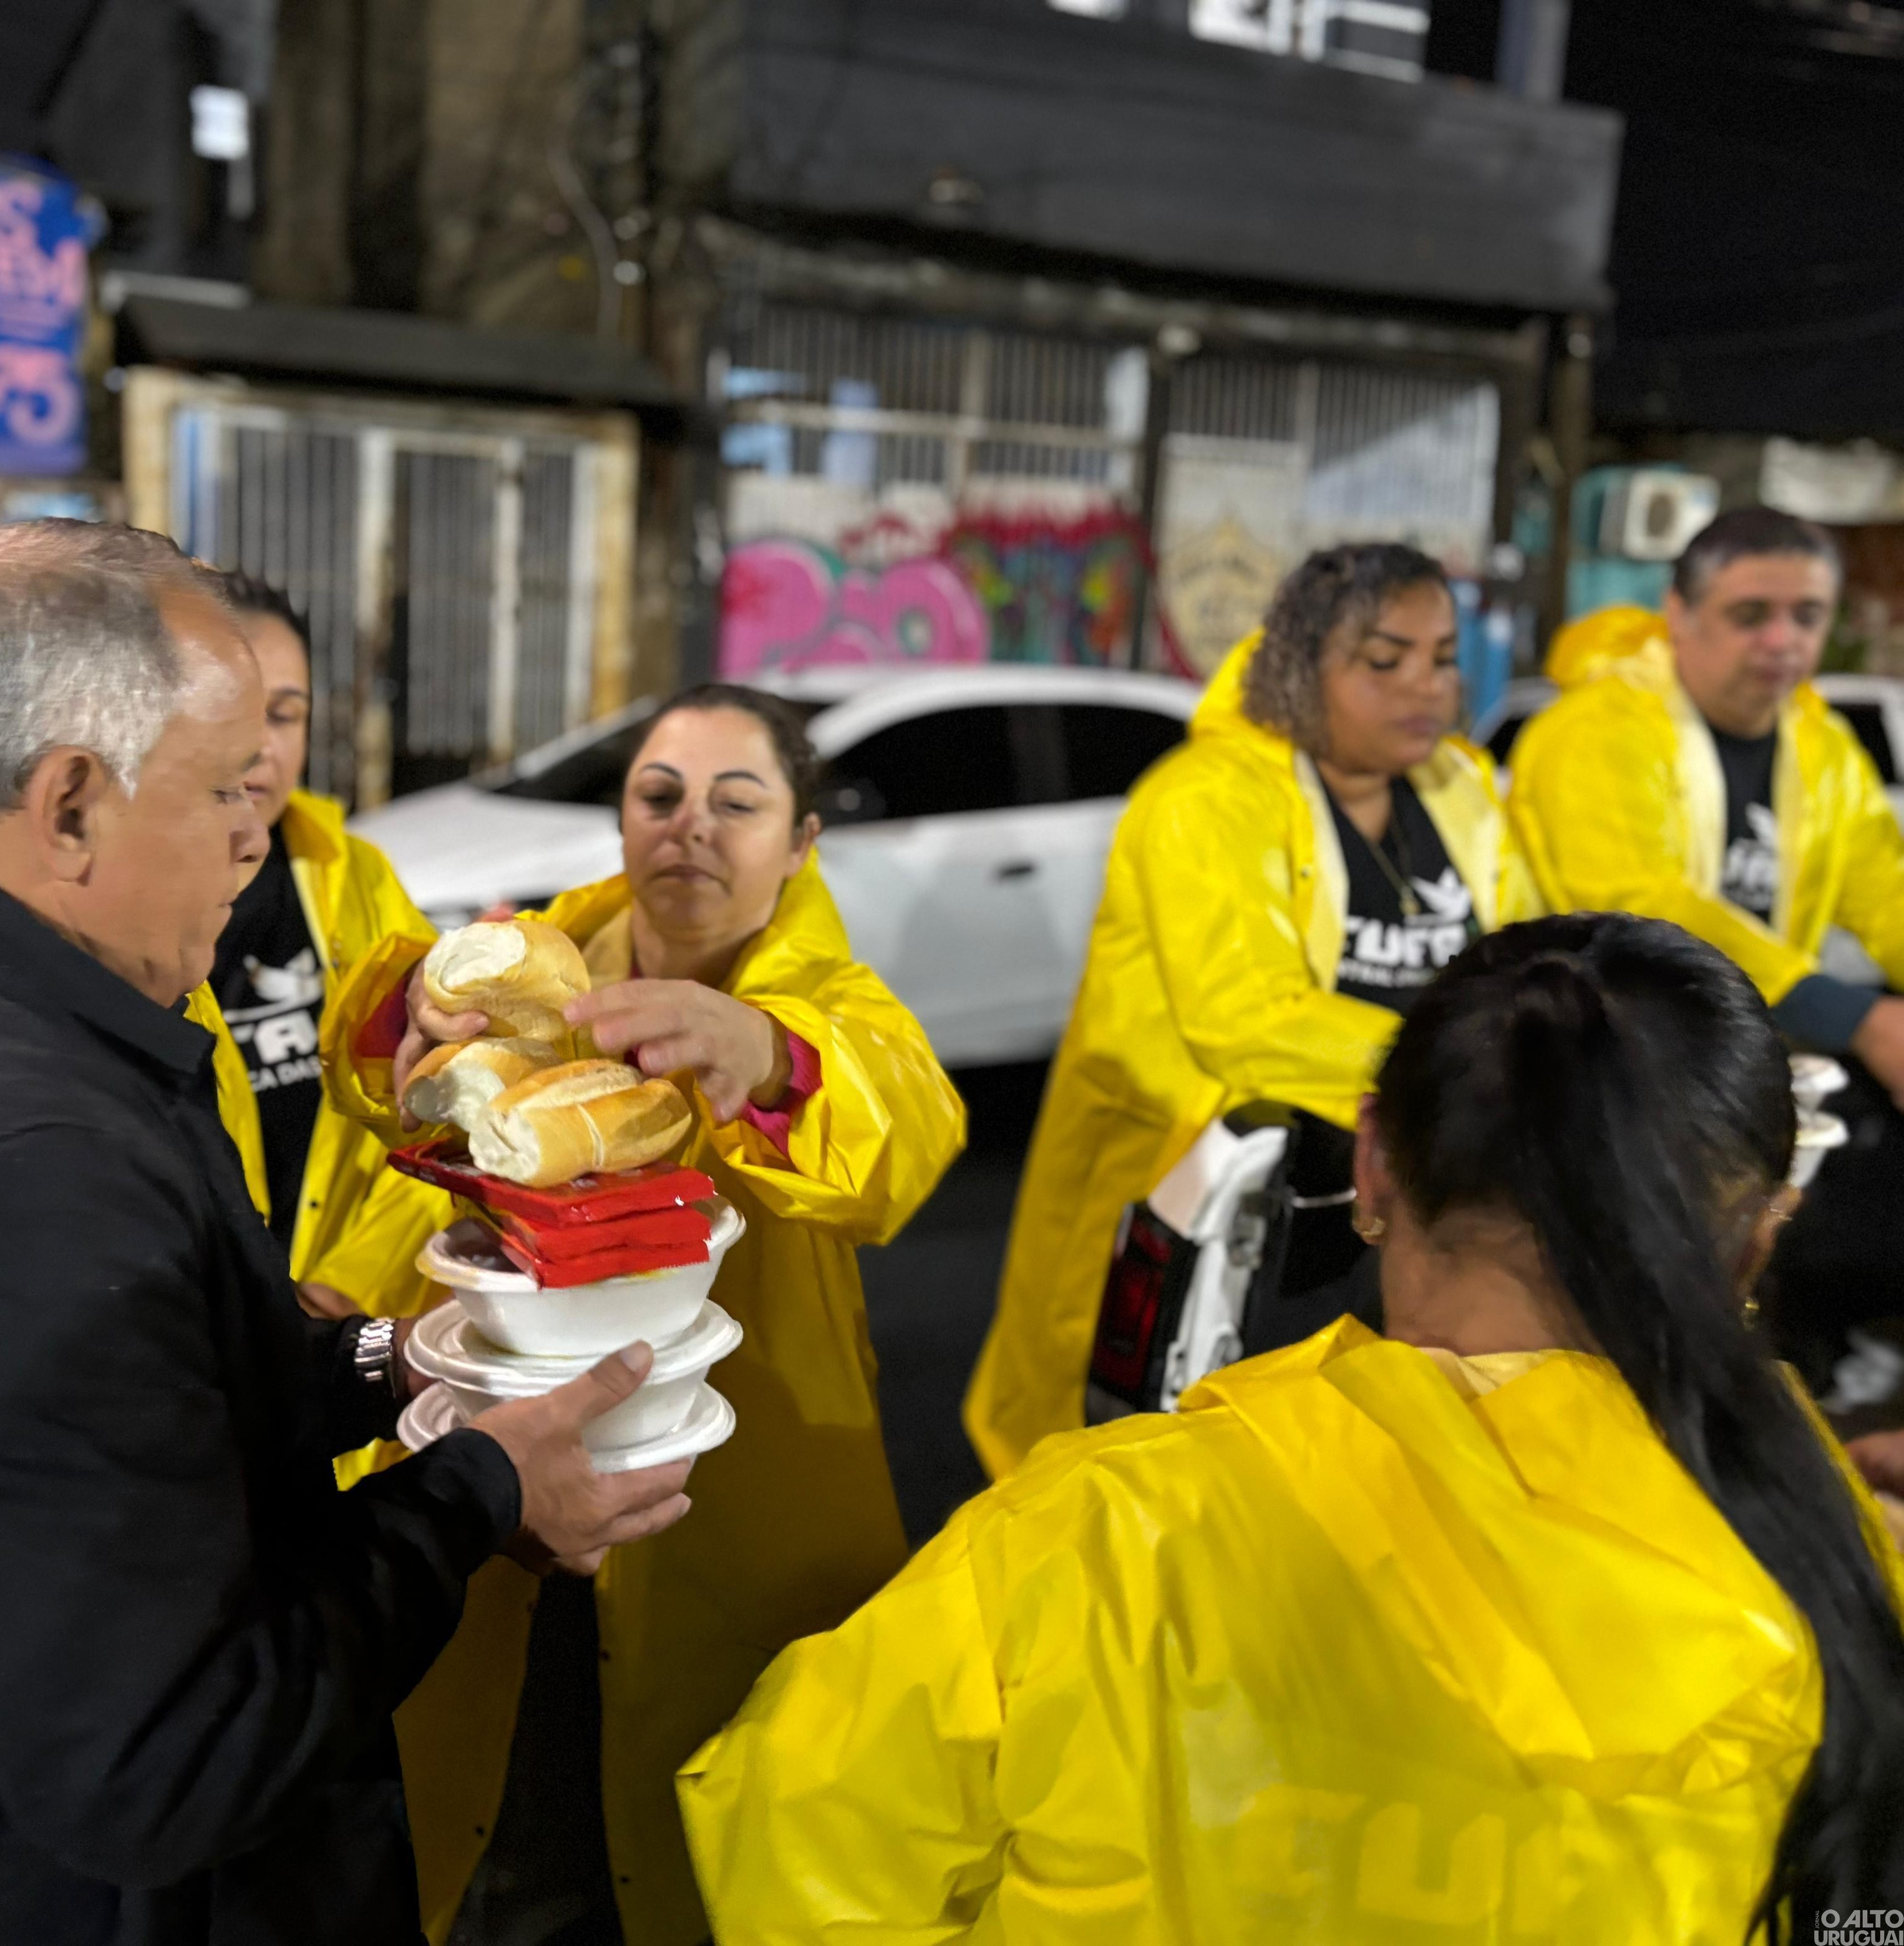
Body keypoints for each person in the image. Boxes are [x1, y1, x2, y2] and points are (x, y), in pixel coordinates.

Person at [0, 520, 695, 1945]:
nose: (257, 830)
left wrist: (378, 1367)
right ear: (71, 804)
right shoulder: (15, 1176)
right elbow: (165, 1767)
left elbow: (128, 1415)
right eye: (226, 784)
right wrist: (478, 1496)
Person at [681, 914, 1904, 1940]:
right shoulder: (1834, 1565)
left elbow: (793, 1855)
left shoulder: (1088, 1541)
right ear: (1760, 1230)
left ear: (1373, 1166)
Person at [321, 683, 966, 1946]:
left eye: (739, 803)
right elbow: (389, 1090)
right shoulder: (542, 957)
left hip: (729, 1478)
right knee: (511, 1774)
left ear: (799, 842)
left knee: (698, 1800)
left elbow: (908, 1132)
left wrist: (764, 1057)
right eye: (659, 797)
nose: (691, 829)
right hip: (506, 1422)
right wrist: (412, 1034)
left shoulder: (824, 1000)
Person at [965, 544, 1538, 1476]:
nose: (1427, 687)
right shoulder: (1203, 798)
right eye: (1385, 661)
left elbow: (1524, 957)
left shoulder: (1460, 791)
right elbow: (1246, 1018)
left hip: (1396, 1191)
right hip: (1204, 1199)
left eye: (1442, 657)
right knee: (1127, 1472)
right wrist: (1482, 1074)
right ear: (1303, 666)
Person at [1511, 508, 1904, 1104]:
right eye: (1750, 615)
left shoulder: (1823, 748)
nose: (1782, 640)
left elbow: (1883, 889)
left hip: (1723, 1071)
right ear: (1679, 613)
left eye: (1808, 616)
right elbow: (1639, 905)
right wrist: (1856, 1019)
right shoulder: (1597, 729)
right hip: (1590, 1079)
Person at [196, 570, 453, 1320]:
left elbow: (442, 1111)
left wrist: (347, 1291)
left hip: (343, 1342)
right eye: (230, 711)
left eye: (286, 714)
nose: (259, 748)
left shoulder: (355, 879)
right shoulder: (109, 905)